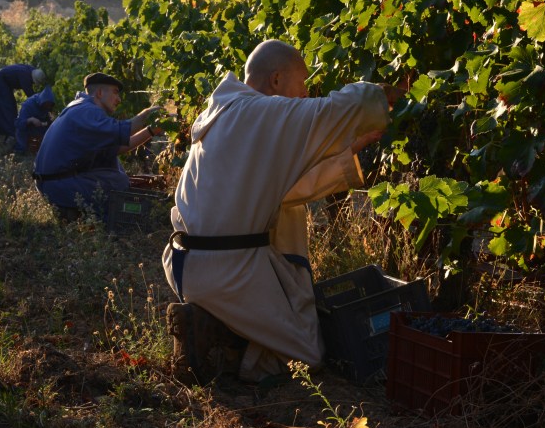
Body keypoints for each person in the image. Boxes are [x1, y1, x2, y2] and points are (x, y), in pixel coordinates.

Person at [161, 39, 396, 384]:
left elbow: (285, 190)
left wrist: (348, 151)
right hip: (227, 271)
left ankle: (217, 322)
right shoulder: (261, 113)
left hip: (184, 261)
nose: (303, 96)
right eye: (301, 86)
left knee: (284, 305)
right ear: (275, 81)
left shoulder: (222, 114)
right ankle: (219, 338)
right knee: (308, 352)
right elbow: (341, 108)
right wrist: (383, 93)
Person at [33, 72, 162, 218]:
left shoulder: (80, 108)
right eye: (115, 93)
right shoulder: (87, 111)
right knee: (117, 181)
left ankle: (77, 210)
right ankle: (80, 214)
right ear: (100, 93)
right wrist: (149, 114)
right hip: (60, 186)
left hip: (54, 183)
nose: (119, 99)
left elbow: (117, 148)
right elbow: (124, 129)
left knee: (112, 164)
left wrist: (151, 130)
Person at [0, 65, 47, 138]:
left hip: (3, 81)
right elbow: (31, 96)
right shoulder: (25, 77)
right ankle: (10, 132)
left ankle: (4, 128)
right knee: (6, 107)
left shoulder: (33, 71)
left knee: (11, 105)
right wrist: (41, 107)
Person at [14, 85, 56, 154]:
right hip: (25, 129)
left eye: (50, 105)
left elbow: (48, 121)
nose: (48, 107)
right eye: (47, 105)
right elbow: (18, 124)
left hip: (38, 127)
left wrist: (50, 120)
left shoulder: (47, 105)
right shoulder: (28, 105)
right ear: (42, 102)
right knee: (22, 149)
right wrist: (31, 120)